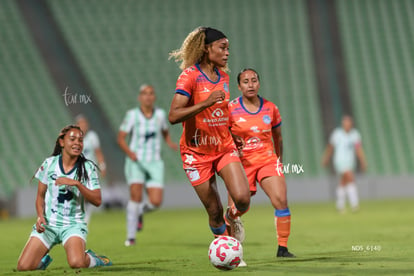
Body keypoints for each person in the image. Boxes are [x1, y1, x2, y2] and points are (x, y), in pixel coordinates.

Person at [168, 27, 251, 244]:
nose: (227, 53)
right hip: (196, 153)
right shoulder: (189, 77)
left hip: (223, 147)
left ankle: (232, 217)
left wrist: (232, 132)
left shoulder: (223, 77)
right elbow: (174, 115)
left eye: (228, 49)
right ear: (207, 49)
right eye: (222, 48)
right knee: (214, 211)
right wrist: (205, 102)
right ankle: (229, 250)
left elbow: (222, 111)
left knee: (242, 199)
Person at [17, 125, 112, 271]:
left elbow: (97, 200)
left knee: (77, 263)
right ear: (62, 142)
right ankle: (42, 261)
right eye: (72, 139)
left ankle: (95, 259)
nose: (77, 143)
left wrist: (76, 184)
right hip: (49, 225)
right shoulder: (49, 164)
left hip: (73, 225)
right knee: (23, 267)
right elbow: (40, 197)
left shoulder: (87, 168)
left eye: (80, 140)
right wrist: (40, 216)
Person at [228, 68, 295, 258]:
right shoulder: (230, 109)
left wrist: (279, 160)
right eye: (246, 81)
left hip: (267, 160)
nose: (250, 84)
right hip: (241, 164)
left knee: (281, 200)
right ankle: (232, 249)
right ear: (239, 86)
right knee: (240, 208)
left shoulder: (270, 108)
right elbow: (223, 134)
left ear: (259, 83)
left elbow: (278, 137)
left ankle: (282, 248)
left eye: (254, 80)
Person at [118, 84, 178, 246]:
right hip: (136, 161)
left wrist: (169, 142)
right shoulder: (132, 115)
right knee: (135, 196)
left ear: (154, 97)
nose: (148, 96)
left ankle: (139, 212)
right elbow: (121, 137)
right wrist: (130, 153)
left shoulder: (160, 114)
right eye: (145, 94)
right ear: (140, 97)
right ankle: (131, 237)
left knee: (156, 202)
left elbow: (165, 130)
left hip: (155, 162)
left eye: (151, 93)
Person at [322, 115, 367, 213]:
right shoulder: (337, 134)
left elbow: (358, 148)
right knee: (350, 178)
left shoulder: (355, 134)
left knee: (343, 182)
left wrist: (363, 160)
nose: (347, 125)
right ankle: (355, 205)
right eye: (345, 123)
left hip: (350, 161)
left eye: (349, 123)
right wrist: (326, 158)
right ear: (343, 124)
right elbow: (331, 147)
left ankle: (340, 206)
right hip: (340, 160)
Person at [76, 115, 107, 224]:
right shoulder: (73, 137)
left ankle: (86, 217)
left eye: (85, 124)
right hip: (78, 170)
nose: (84, 126)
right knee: (79, 195)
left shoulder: (92, 136)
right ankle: (79, 216)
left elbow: (98, 152)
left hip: (91, 170)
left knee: (91, 195)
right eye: (81, 124)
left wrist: (102, 166)